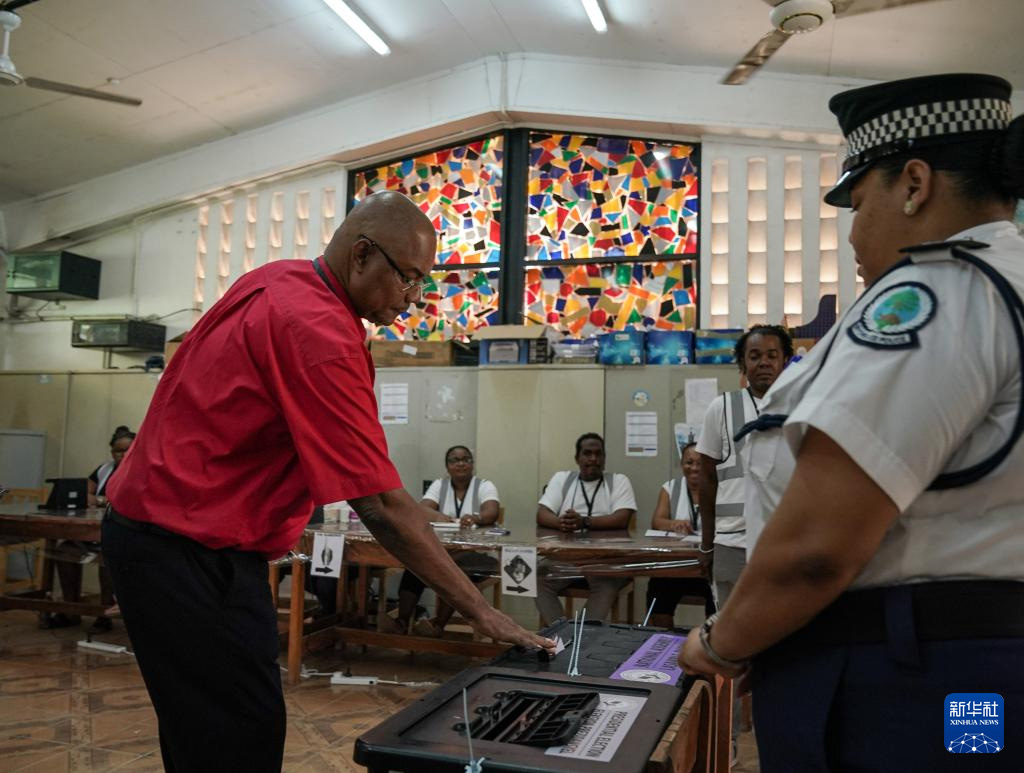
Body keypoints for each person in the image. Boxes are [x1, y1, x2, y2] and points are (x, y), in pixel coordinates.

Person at [103, 191, 553, 772]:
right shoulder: (318, 332)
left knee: (218, 722)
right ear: (361, 253)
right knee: (232, 731)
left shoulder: (280, 278)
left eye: (423, 282)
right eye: (408, 278)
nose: (414, 298)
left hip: (175, 537)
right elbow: (381, 505)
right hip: (182, 546)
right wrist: (482, 612)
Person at [679, 73, 1024, 772]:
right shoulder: (1008, 279)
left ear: (915, 184)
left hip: (901, 678)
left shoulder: (932, 296)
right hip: (974, 668)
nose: (854, 233)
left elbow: (817, 546)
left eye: (859, 203)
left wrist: (718, 644)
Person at [695, 324, 792, 606]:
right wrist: (707, 544)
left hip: (786, 541)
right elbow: (707, 479)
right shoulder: (722, 407)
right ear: (742, 363)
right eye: (755, 356)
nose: (764, 362)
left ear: (785, 360)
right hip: (732, 543)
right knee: (730, 626)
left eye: (772, 355)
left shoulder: (803, 406)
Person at [389, 445, 501, 636]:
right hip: (444, 551)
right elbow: (422, 508)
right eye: (455, 460)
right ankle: (401, 622)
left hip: (479, 555)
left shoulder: (484, 485)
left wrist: (477, 518)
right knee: (416, 565)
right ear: (447, 466)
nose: (461, 464)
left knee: (452, 568)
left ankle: (437, 626)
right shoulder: (440, 485)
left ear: (472, 464)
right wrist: (438, 516)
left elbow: (492, 512)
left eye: (465, 459)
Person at [535, 433, 637, 624]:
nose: (593, 459)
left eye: (598, 454)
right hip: (566, 557)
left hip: (605, 560)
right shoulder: (562, 479)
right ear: (577, 458)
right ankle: (562, 633)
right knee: (536, 580)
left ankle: (581, 635)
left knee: (606, 586)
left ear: (604, 458)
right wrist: (562, 523)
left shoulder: (618, 481)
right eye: (587, 453)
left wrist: (584, 522)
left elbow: (622, 519)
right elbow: (542, 514)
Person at [41, 426, 133, 634]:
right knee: (65, 550)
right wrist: (103, 500)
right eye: (117, 451)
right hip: (91, 532)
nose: (122, 455)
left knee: (108, 556)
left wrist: (100, 500)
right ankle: (70, 610)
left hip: (120, 537)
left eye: (127, 450)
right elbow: (83, 493)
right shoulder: (104, 469)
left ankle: (104, 614)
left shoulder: (140, 470)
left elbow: (127, 501)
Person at [645, 442, 715, 627]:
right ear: (681, 464)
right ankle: (665, 638)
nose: (694, 468)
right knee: (658, 589)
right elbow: (657, 522)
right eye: (689, 462)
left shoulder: (718, 487)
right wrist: (674, 524)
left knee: (718, 599)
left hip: (707, 565)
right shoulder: (670, 488)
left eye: (700, 463)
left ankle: (708, 639)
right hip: (676, 564)